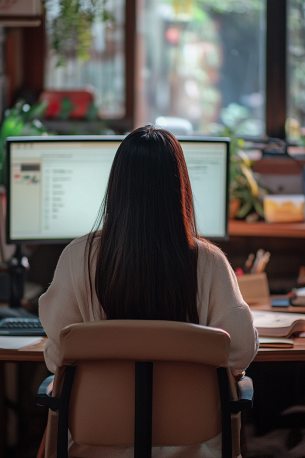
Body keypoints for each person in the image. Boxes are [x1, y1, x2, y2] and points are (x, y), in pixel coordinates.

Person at [39, 125, 259, 458]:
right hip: (192, 450)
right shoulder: (210, 263)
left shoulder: (77, 257)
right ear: (180, 188)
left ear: (117, 187)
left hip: (93, 449)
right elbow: (241, 349)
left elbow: (59, 357)